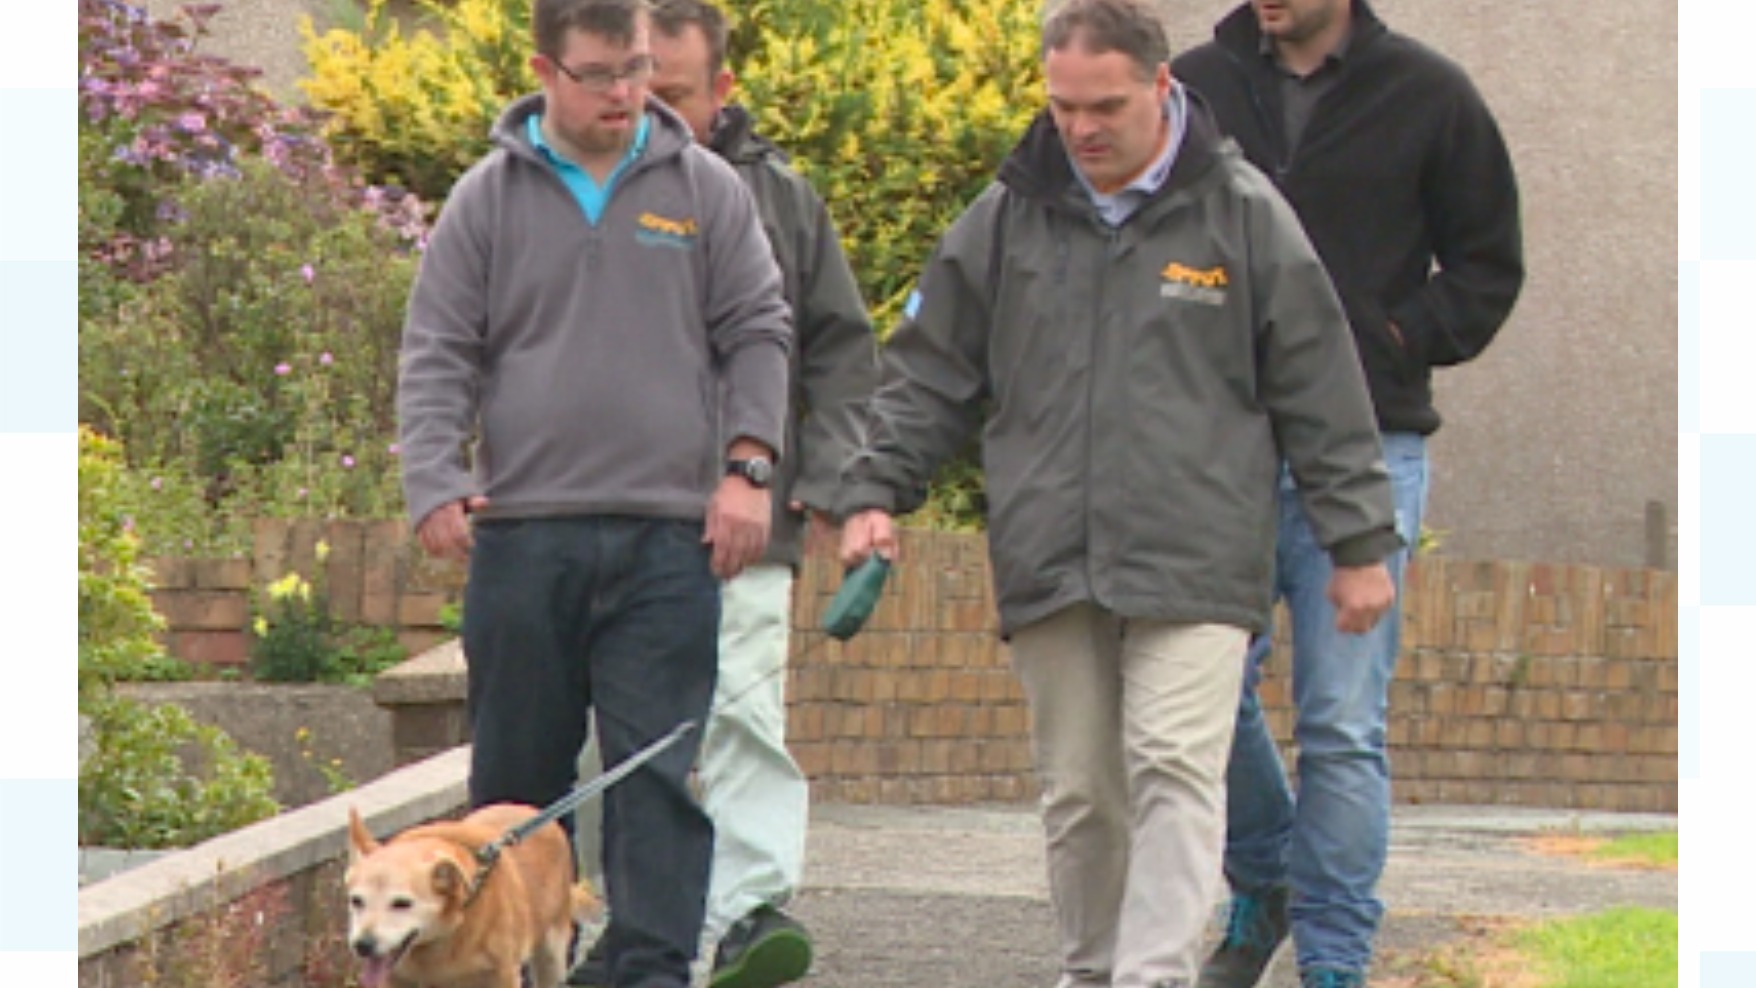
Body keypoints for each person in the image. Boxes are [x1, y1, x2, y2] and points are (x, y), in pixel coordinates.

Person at [834, 2, 1401, 985]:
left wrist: (1356, 545)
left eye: (1105, 107)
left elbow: (1322, 386)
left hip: (1196, 556)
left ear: (1160, 87)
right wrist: (875, 489)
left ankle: (1152, 977)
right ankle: (1094, 969)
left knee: (1174, 767)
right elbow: (928, 371)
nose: (1082, 129)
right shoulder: (1006, 216)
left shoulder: (1242, 213)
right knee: (1082, 792)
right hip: (1051, 551)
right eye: (1063, 107)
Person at [395, 0, 794, 985]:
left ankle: (651, 969)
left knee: (655, 774)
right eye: (601, 74)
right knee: (514, 791)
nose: (626, 93)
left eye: (639, 70)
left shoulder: (704, 189)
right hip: (523, 537)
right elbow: (439, 348)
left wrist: (748, 469)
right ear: (545, 71)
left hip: (668, 541)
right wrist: (435, 479)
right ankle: (504, 964)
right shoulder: (486, 199)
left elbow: (758, 328)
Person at [1171, 3, 1524, 985]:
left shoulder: (1429, 94)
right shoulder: (1195, 87)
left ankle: (1333, 958)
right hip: (1219, 445)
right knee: (1199, 688)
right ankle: (1265, 873)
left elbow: (1488, 263)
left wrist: (1397, 337)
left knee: (1341, 721)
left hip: (1369, 441)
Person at [567, 2, 879, 987]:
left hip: (747, 513)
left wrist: (825, 481)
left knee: (741, 714)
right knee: (604, 739)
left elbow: (842, 352)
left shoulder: (782, 201)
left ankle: (748, 915)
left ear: (724, 90)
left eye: (673, 94)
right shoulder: (564, 187)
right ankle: (616, 921)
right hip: (600, 509)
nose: (646, 112)